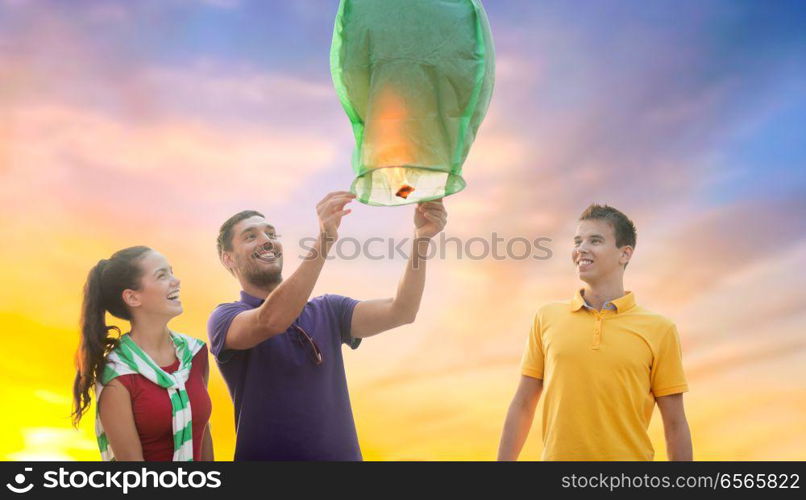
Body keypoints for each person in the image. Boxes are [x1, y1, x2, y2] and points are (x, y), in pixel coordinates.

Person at [208, 191, 447, 460]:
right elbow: (271, 320)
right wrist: (324, 240)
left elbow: (401, 310)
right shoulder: (225, 318)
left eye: (271, 234)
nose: (266, 241)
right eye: (251, 236)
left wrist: (421, 239)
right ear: (228, 258)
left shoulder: (329, 310)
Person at [498, 204, 692, 461]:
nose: (581, 249)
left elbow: (675, 424)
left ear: (625, 254)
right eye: (578, 241)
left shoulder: (660, 329)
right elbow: (523, 405)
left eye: (595, 240)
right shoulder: (547, 318)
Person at [72, 246, 213, 461]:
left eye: (171, 272)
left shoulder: (195, 354)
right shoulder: (117, 376)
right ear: (132, 298)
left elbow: (202, 434)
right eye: (162, 275)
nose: (176, 281)